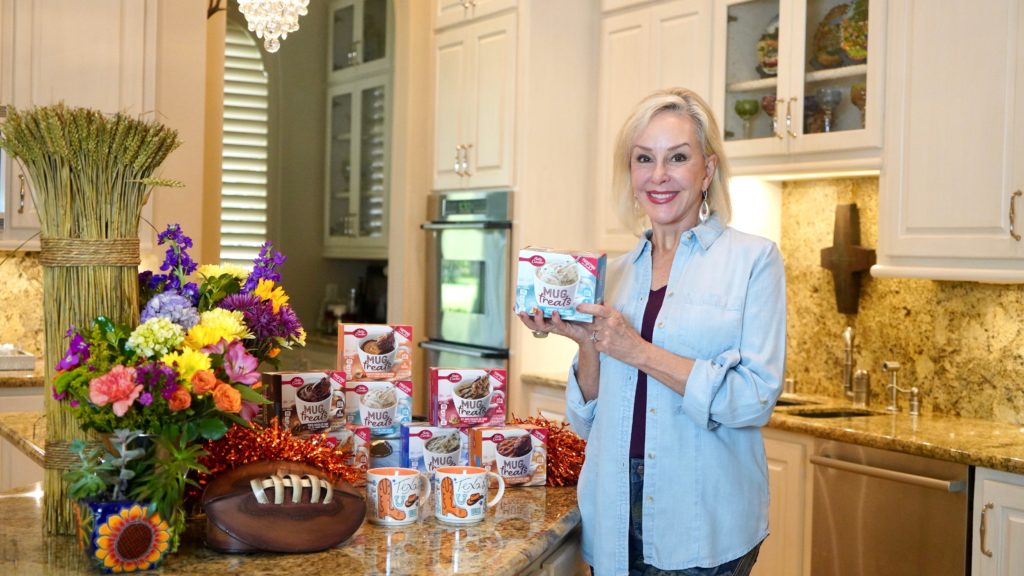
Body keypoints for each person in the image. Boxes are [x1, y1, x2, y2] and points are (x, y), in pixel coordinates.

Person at [519, 87, 786, 575]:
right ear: (631, 172)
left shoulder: (753, 260)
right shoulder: (614, 273)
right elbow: (588, 422)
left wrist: (636, 349)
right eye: (645, 158)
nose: (659, 175)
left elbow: (752, 399)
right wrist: (588, 344)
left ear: (706, 170)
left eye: (677, 158)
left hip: (702, 517)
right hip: (613, 506)